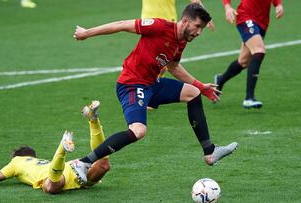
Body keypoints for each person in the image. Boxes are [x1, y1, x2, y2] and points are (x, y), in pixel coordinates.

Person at [73, 3, 238, 176]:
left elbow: (173, 67)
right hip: (132, 83)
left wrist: (201, 87)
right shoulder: (158, 26)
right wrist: (86, 33)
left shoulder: (181, 41)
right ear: (185, 21)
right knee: (138, 131)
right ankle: (83, 163)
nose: (199, 32)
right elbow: (121, 24)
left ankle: (209, 151)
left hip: (152, 84)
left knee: (193, 93)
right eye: (197, 26)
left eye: (202, 28)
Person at [0, 101, 110, 194]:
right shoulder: (39, 160)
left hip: (58, 175)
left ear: (17, 156)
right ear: (33, 155)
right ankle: (94, 120)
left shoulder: (16, 162)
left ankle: (62, 148)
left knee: (50, 187)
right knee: (103, 163)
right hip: (74, 170)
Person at [214, 0, 284, 108]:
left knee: (243, 62)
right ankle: (249, 98)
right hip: (246, 16)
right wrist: (227, 6)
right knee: (259, 50)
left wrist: (278, 4)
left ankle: (220, 81)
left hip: (262, 22)